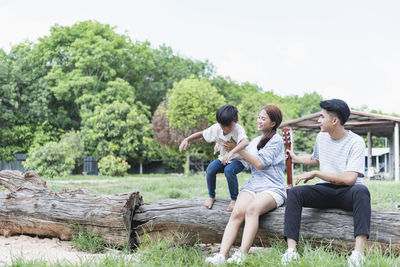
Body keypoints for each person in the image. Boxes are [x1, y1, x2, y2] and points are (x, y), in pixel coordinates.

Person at [281, 99, 371, 267]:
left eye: (322, 117)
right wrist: (296, 158)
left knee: (362, 191)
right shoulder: (321, 137)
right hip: (324, 190)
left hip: (348, 192)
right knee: (295, 193)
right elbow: (316, 159)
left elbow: (350, 178)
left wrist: (317, 173)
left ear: (334, 120)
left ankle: (358, 254)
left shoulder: (356, 142)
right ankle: (291, 251)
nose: (318, 121)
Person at [205, 104, 287, 265]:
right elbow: (246, 162)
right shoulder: (255, 141)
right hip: (253, 185)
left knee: (251, 210)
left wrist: (237, 149)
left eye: (263, 118)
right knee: (236, 214)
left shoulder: (276, 140)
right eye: (259, 117)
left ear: (273, 123)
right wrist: (223, 150)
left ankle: (241, 255)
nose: (259, 120)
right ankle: (221, 256)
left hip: (272, 188)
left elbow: (259, 163)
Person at [179, 104, 249, 211]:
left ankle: (234, 199)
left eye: (229, 127)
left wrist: (231, 152)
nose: (225, 130)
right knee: (210, 169)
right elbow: (202, 134)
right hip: (224, 158)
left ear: (236, 121)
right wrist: (187, 139)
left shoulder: (239, 130)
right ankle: (211, 196)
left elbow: (245, 142)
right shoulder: (216, 128)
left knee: (229, 171)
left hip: (239, 160)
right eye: (222, 126)